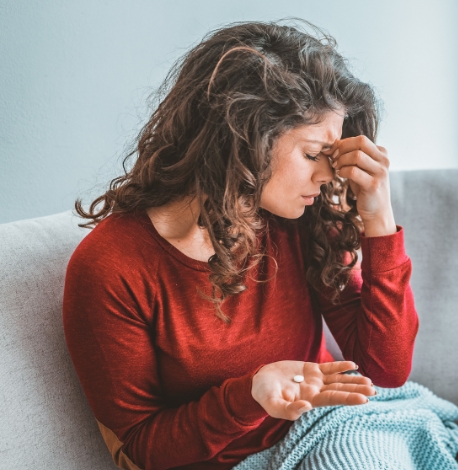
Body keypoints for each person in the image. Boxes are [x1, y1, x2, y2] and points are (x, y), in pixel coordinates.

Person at [62, 20, 418, 470]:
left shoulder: (303, 220)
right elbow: (142, 444)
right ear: (242, 138)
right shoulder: (111, 268)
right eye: (312, 155)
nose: (327, 175)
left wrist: (379, 221)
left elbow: (386, 369)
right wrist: (249, 397)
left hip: (330, 431)